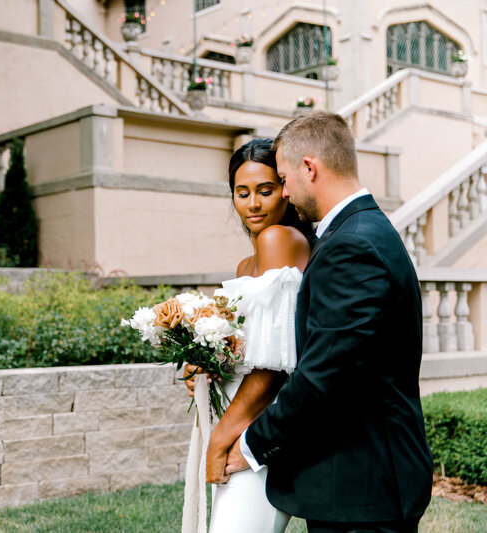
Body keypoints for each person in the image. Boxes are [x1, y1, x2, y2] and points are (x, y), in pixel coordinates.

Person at [220, 111, 433, 533]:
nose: (283, 192)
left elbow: (325, 373)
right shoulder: (363, 230)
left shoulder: (351, 245)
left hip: (364, 485)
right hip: (359, 483)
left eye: (282, 179)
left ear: (310, 168)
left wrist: (250, 445)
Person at [183, 137, 311, 533]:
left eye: (266, 190)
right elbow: (252, 347)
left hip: (258, 427)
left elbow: (273, 367)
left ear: (286, 192)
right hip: (238, 417)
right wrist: (207, 363)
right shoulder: (247, 263)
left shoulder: (280, 239)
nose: (253, 204)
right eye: (242, 193)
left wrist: (221, 439)